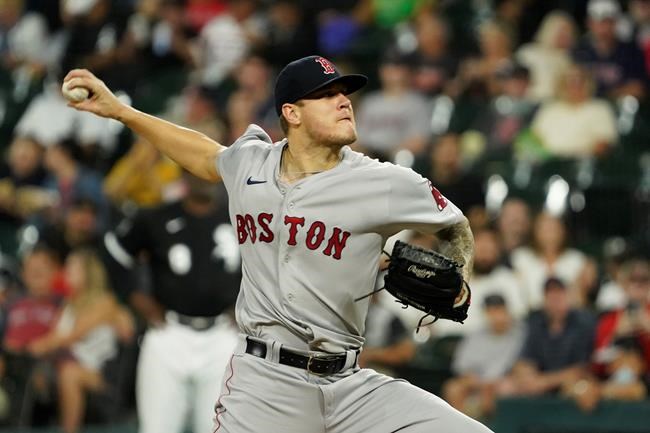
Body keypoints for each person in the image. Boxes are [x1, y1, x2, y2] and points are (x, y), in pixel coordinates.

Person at [63, 55, 490, 433]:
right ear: (292, 112)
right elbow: (203, 154)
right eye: (326, 95)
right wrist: (121, 112)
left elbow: (456, 226)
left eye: (345, 92)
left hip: (351, 384)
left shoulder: (384, 182)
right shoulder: (251, 163)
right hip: (265, 385)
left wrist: (462, 278)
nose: (343, 101)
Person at [103, 171, 242, 433]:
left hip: (223, 336)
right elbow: (114, 254)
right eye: (197, 172)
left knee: (218, 428)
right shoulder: (156, 217)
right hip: (168, 334)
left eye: (211, 171)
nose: (205, 178)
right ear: (184, 176)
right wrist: (136, 297)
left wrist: (247, 308)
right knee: (158, 428)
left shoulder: (236, 217)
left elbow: (268, 265)